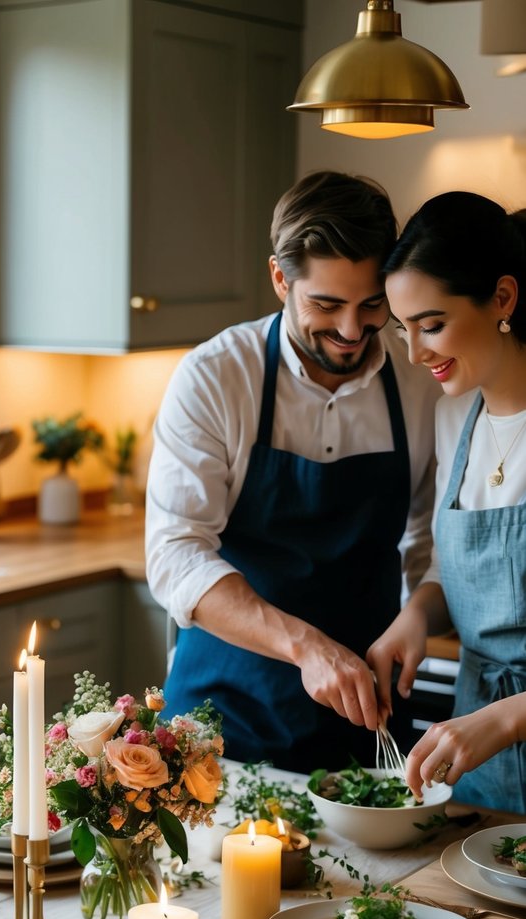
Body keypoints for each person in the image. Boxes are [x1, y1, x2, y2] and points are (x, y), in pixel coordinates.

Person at [145, 170, 440, 774]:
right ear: (280, 278)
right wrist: (305, 646)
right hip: (222, 725)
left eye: (371, 304)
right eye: (326, 305)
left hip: (370, 725)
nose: (352, 331)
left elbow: (435, 545)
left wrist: (419, 614)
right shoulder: (216, 377)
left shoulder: (423, 383)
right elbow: (175, 554)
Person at [368, 191, 526, 814]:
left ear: (503, 300)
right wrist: (419, 613)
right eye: (403, 328)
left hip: (494, 728)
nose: (414, 352)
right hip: (478, 769)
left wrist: (510, 718)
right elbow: (453, 565)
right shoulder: (454, 415)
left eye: (431, 325)